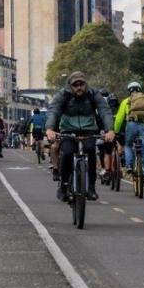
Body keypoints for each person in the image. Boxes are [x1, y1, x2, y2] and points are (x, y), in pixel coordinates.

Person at [46, 72, 115, 202]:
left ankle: (91, 188)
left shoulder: (93, 94)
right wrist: (50, 129)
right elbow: (53, 110)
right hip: (68, 129)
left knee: (90, 150)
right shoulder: (63, 95)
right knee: (67, 153)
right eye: (75, 85)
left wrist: (110, 130)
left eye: (81, 84)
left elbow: (104, 111)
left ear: (86, 84)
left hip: (88, 129)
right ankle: (64, 185)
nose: (79, 87)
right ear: (70, 86)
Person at [113, 81, 144, 188]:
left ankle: (129, 166)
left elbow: (119, 118)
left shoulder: (126, 101)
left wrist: (116, 131)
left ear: (129, 91)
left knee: (128, 145)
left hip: (131, 125)